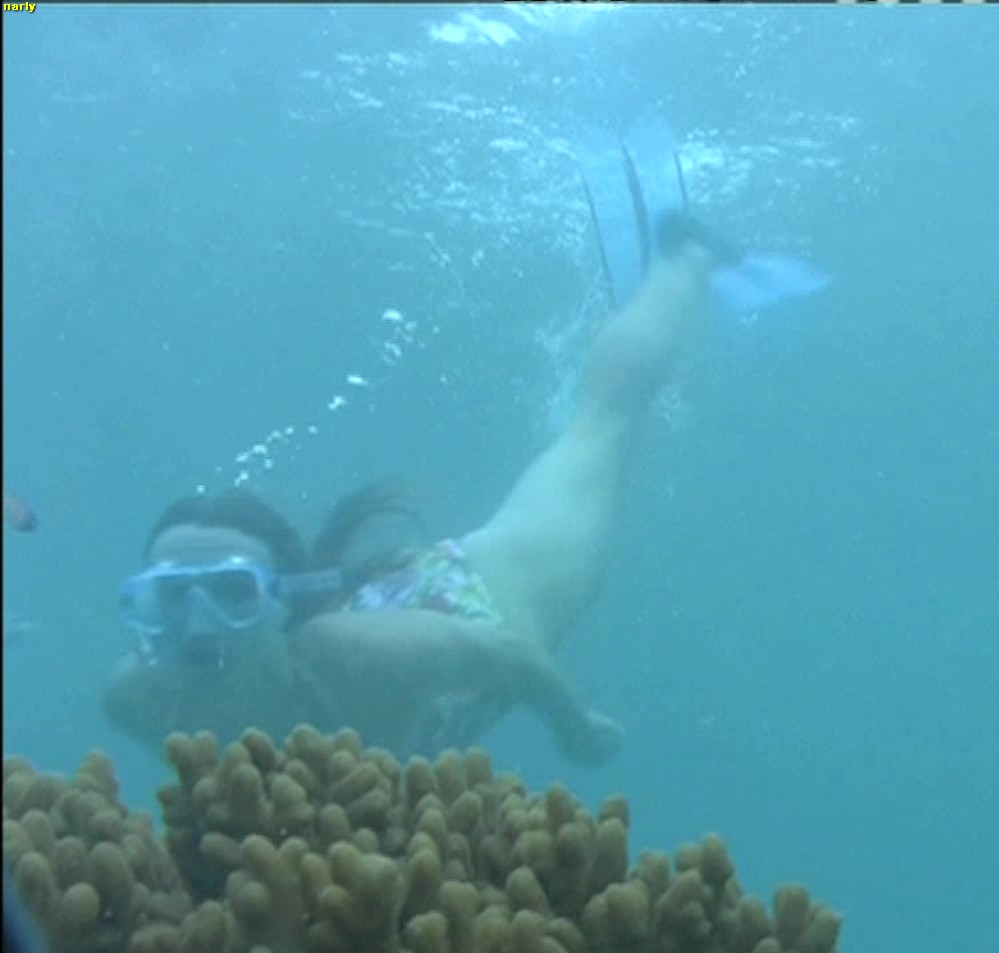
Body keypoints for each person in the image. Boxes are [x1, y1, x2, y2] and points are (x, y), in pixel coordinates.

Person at [102, 222, 722, 767]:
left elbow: (510, 655)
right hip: (390, 618)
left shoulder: (358, 656)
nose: (197, 624)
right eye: (169, 597)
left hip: (480, 600)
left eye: (233, 593)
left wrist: (575, 727)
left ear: (282, 604)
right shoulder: (134, 700)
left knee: (603, 427)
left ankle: (687, 256)